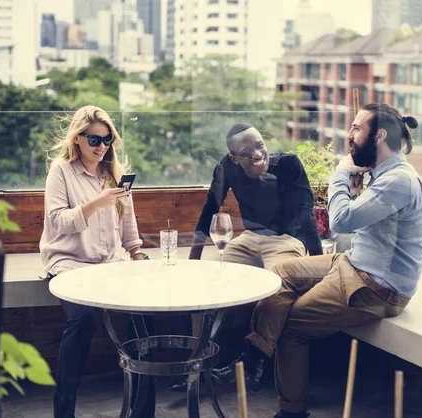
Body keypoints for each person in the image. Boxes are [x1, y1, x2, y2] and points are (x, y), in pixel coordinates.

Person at [213, 103, 422, 418]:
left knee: (292, 328)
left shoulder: (398, 180)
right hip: (354, 263)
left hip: (376, 286)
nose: (350, 135)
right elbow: (370, 222)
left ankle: (292, 411)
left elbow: (340, 221)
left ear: (379, 135)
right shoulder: (383, 173)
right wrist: (355, 190)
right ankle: (255, 355)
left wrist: (341, 174)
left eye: (357, 128)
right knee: (281, 274)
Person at [169, 122, 323, 392]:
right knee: (202, 285)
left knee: (277, 288)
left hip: (285, 240)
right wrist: (193, 262)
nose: (256, 154)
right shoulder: (226, 167)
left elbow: (305, 214)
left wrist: (319, 264)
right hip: (249, 239)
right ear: (234, 157)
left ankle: (254, 362)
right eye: (247, 150)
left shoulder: (288, 165)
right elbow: (210, 208)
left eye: (259, 145)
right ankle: (198, 369)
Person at [39, 105, 155, 418]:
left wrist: (136, 253)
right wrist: (96, 203)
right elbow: (56, 222)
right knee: (82, 322)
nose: (101, 147)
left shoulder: (114, 173)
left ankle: (143, 412)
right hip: (69, 263)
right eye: (94, 140)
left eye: (107, 141)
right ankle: (64, 411)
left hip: (111, 263)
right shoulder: (61, 171)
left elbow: (128, 226)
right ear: (77, 138)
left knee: (143, 320)